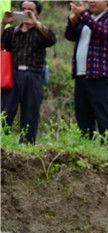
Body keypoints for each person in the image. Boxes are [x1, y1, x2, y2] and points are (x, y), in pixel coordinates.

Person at [65, 0, 108, 144]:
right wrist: (73, 22)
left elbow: (105, 32)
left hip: (101, 74)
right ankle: (86, 147)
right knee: (82, 114)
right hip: (81, 74)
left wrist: (83, 15)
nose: (91, 1)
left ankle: (107, 147)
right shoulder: (85, 19)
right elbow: (69, 36)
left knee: (102, 114)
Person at [1, 1, 56, 144]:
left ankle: (27, 145)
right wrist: (3, 23)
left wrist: (35, 22)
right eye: (23, 9)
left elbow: (52, 39)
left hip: (34, 75)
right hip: (13, 74)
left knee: (30, 113)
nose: (25, 12)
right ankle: (2, 143)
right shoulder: (13, 31)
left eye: (30, 10)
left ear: (37, 13)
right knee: (5, 111)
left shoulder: (40, 32)